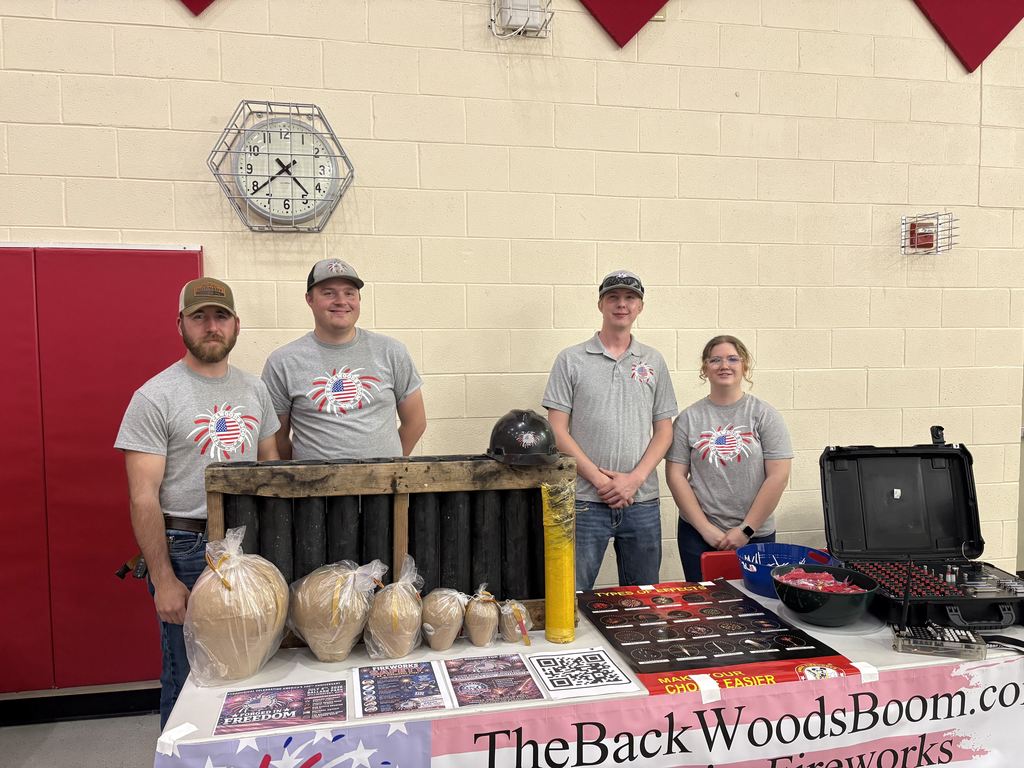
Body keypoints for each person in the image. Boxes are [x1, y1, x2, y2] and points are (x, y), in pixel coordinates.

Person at [114, 277, 280, 728]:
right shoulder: (155, 396)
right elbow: (142, 497)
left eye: (220, 316)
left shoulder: (255, 390)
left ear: (236, 324)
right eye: (199, 316)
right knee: (189, 677)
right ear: (181, 324)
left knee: (251, 663)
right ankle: (181, 753)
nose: (211, 326)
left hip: (248, 546)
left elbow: (271, 469)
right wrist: (164, 579)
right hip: (187, 551)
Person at [542, 270, 677, 590]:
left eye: (630, 298)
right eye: (613, 297)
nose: (622, 304)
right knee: (573, 593)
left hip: (641, 501)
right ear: (600, 304)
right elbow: (557, 431)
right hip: (585, 500)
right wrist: (602, 481)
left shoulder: (653, 361)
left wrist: (634, 480)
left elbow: (664, 431)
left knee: (643, 595)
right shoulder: (571, 360)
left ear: (640, 307)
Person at [261, 258, 426, 460]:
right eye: (329, 293)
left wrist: (389, 465)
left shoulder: (392, 352)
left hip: (384, 480)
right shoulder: (282, 362)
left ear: (359, 299)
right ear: (309, 299)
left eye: (349, 293)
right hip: (314, 481)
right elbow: (277, 439)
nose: (341, 301)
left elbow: (416, 422)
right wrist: (300, 474)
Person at [666, 335, 793, 581]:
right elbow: (675, 476)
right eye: (715, 360)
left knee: (754, 601)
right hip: (698, 535)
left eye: (732, 359)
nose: (724, 365)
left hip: (755, 534)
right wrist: (705, 529)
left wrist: (746, 530)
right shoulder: (688, 419)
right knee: (703, 601)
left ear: (744, 365)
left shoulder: (765, 415)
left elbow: (778, 476)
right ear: (705, 368)